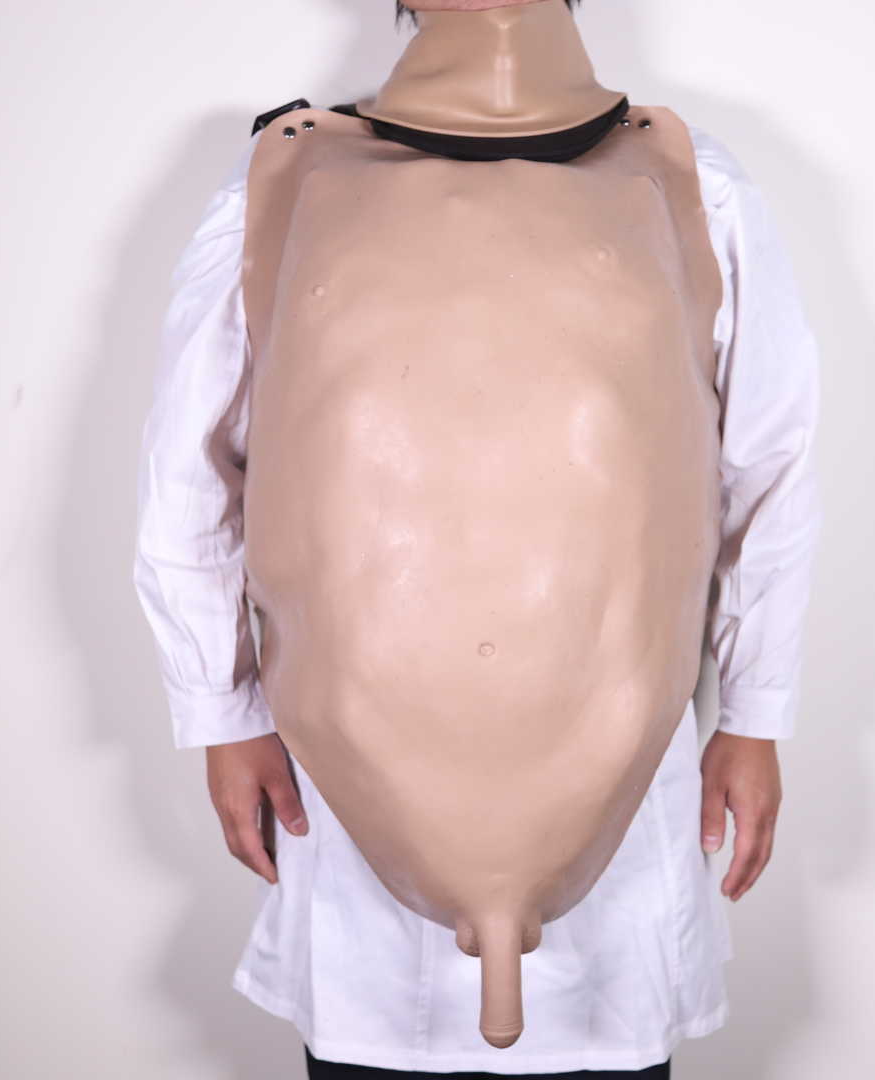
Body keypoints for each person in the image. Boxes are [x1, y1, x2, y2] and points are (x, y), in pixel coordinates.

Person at [132, 0, 823, 1074]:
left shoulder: (688, 180)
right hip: (347, 786)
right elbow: (190, 465)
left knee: (604, 1051)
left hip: (625, 779)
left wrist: (756, 711)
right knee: (371, 1054)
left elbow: (767, 461)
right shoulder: (286, 180)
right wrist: (220, 713)